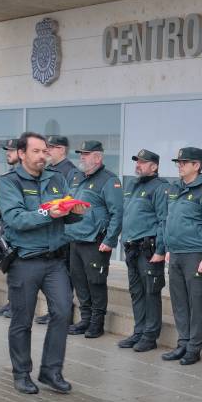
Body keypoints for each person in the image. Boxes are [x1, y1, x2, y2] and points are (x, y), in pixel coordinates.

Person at [0, 132, 85, 395]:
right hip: (24, 260)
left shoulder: (56, 178)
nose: (42, 156)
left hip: (55, 260)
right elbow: (16, 219)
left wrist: (74, 213)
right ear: (22, 154)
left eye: (44, 151)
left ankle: (51, 371)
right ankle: (22, 373)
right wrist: (48, 213)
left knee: (62, 312)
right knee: (22, 320)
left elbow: (64, 215)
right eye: (36, 151)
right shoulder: (9, 182)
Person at [161, 146, 202, 366]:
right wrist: (167, 248)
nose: (180, 166)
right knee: (179, 302)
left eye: (184, 162)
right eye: (178, 162)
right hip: (176, 254)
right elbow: (168, 220)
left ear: (196, 165)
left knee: (194, 302)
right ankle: (183, 343)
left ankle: (194, 348)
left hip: (195, 255)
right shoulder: (174, 188)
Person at [65, 140, 123, 338]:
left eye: (86, 154)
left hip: (95, 242)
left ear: (98, 157)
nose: (82, 156)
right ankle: (85, 319)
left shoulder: (109, 180)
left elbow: (117, 213)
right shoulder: (78, 177)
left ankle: (96, 324)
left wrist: (110, 240)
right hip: (75, 238)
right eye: (81, 153)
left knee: (95, 283)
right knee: (79, 282)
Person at [118, 149, 170, 353]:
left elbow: (163, 220)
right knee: (136, 292)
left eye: (142, 162)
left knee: (151, 293)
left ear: (154, 166)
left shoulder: (160, 188)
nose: (138, 165)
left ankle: (150, 335)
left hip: (148, 250)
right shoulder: (133, 185)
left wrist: (160, 249)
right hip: (132, 249)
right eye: (137, 161)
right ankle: (139, 331)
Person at [35, 135, 77, 326]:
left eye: (52, 147)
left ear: (62, 150)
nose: (48, 151)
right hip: (47, 229)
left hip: (63, 233)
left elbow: (70, 202)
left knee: (64, 278)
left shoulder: (69, 172)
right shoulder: (48, 170)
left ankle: (64, 314)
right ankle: (54, 312)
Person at [0, 139, 21, 318]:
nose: (7, 153)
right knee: (10, 269)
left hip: (17, 230)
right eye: (7, 150)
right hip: (6, 228)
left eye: (11, 150)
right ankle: (11, 302)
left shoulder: (24, 175)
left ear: (21, 153)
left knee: (19, 271)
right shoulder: (10, 174)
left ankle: (17, 306)